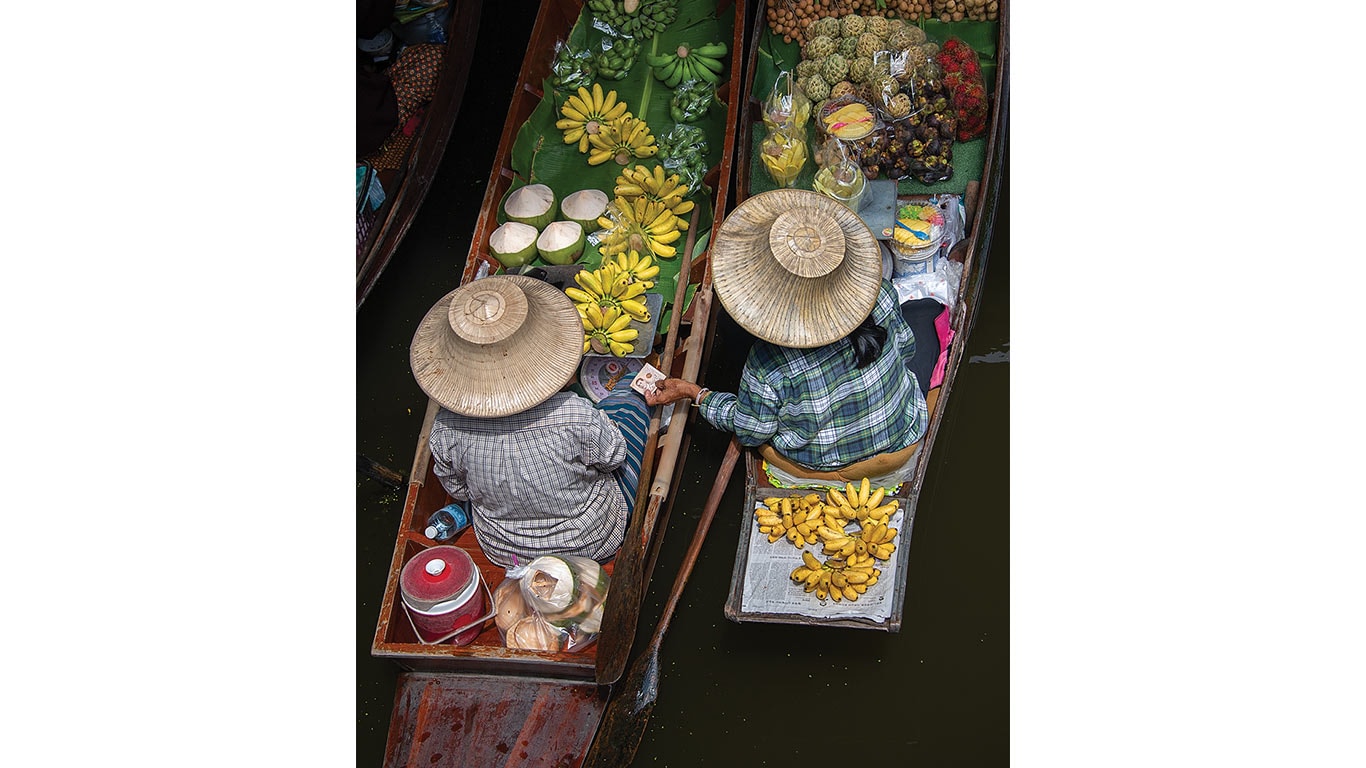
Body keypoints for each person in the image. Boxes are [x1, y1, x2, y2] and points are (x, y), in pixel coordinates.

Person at [645, 189, 928, 476]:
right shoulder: (881, 294)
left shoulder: (768, 363)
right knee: (926, 311)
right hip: (902, 430)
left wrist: (695, 392)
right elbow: (906, 350)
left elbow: (751, 431)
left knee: (729, 327)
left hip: (823, 460)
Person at [409, 274, 649, 568]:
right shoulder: (573, 413)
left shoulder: (446, 430)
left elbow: (458, 491)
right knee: (628, 405)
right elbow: (613, 458)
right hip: (591, 542)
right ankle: (630, 387)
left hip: (507, 552)